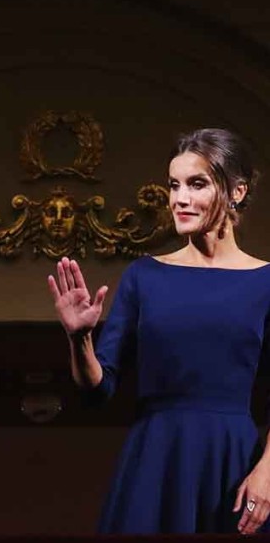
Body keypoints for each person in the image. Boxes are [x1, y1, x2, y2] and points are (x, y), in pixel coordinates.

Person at [48, 127, 270, 534]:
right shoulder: (144, 276)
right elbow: (98, 388)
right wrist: (79, 339)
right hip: (156, 461)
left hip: (235, 460)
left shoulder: (266, 282)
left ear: (237, 192)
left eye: (196, 184)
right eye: (174, 185)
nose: (179, 199)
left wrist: (268, 472)